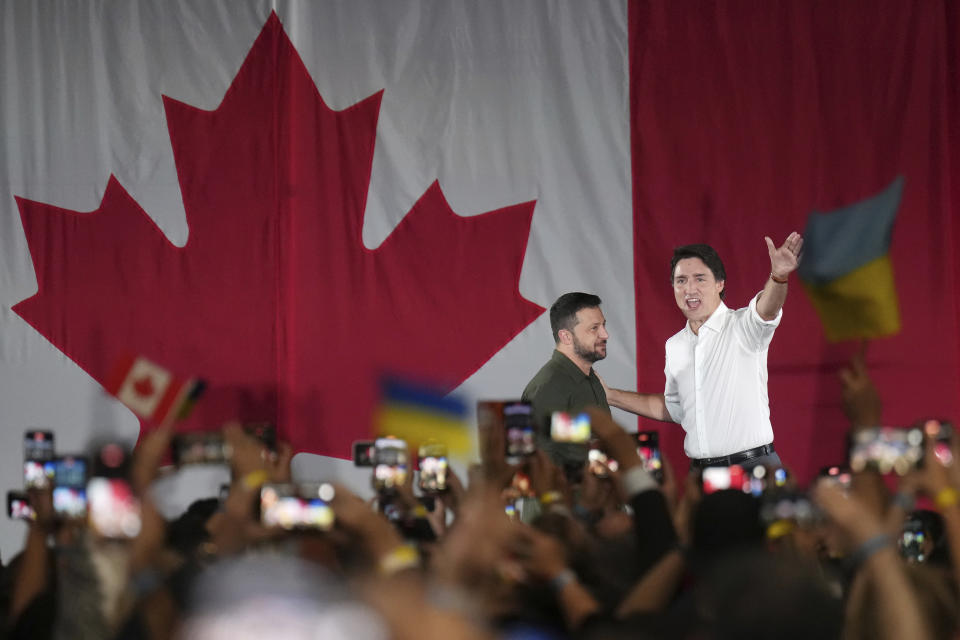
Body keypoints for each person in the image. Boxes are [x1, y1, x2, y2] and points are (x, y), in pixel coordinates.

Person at [603, 234, 803, 470]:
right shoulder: (675, 345)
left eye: (699, 279)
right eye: (681, 281)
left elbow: (767, 309)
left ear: (720, 284)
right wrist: (610, 395)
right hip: (701, 474)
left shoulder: (743, 326)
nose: (689, 289)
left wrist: (778, 276)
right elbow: (674, 409)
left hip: (754, 468)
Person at [522, 292, 611, 463]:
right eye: (594, 328)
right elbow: (541, 464)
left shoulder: (591, 380)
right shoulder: (548, 388)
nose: (605, 334)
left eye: (604, 326)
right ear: (566, 337)